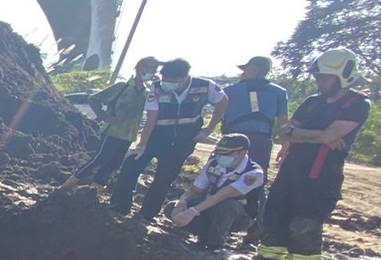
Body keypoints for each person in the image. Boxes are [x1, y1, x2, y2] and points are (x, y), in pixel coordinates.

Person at [253, 48, 372, 260]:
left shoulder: (357, 104)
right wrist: (318, 135)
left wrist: (302, 134)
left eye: (325, 77)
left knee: (305, 223)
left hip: (321, 175)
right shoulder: (311, 103)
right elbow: (285, 132)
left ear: (343, 77)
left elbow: (329, 135)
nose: (319, 82)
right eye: (318, 77)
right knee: (275, 214)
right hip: (292, 170)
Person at [109, 58, 229, 223]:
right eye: (164, 79)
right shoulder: (157, 88)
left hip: (184, 140)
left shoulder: (204, 86)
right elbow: (152, 117)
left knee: (164, 178)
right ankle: (119, 207)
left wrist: (209, 128)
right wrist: (142, 144)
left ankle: (147, 215)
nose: (166, 83)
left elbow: (222, 101)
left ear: (184, 78)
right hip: (158, 135)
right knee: (131, 165)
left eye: (171, 81)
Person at [58, 56, 160, 190]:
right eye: (151, 69)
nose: (153, 73)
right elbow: (94, 99)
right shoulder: (122, 87)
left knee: (114, 165)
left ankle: (94, 191)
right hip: (113, 131)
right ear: (141, 68)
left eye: (155, 70)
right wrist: (104, 116)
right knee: (99, 160)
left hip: (129, 134)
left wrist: (156, 87)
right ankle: (67, 186)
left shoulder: (147, 93)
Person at [216, 55, 289, 236]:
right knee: (257, 181)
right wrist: (285, 143)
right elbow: (283, 122)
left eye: (246, 69)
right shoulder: (279, 92)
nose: (242, 73)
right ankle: (255, 229)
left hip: (233, 141)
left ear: (255, 69)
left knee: (221, 175)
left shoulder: (230, 91)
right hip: (262, 141)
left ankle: (217, 225)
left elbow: (218, 112)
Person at [168, 135, 265, 249]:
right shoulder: (213, 163)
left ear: (242, 153)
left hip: (237, 216)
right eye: (219, 152)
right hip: (210, 209)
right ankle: (204, 235)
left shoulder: (253, 173)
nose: (221, 156)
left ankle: (215, 244)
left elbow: (223, 195)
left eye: (226, 154)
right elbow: (195, 190)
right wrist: (182, 202)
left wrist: (193, 211)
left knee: (226, 206)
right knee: (171, 208)